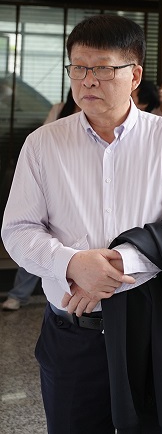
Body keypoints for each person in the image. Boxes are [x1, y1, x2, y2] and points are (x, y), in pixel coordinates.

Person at [0, 14, 162, 433]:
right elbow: (17, 229)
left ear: (135, 75)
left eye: (103, 68)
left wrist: (111, 269)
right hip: (73, 331)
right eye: (78, 67)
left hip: (151, 330)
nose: (88, 80)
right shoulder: (43, 144)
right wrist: (73, 264)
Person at [3, 91, 81, 312]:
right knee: (37, 238)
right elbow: (44, 138)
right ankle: (19, 294)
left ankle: (68, 295)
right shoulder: (60, 110)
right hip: (53, 180)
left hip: (78, 186)